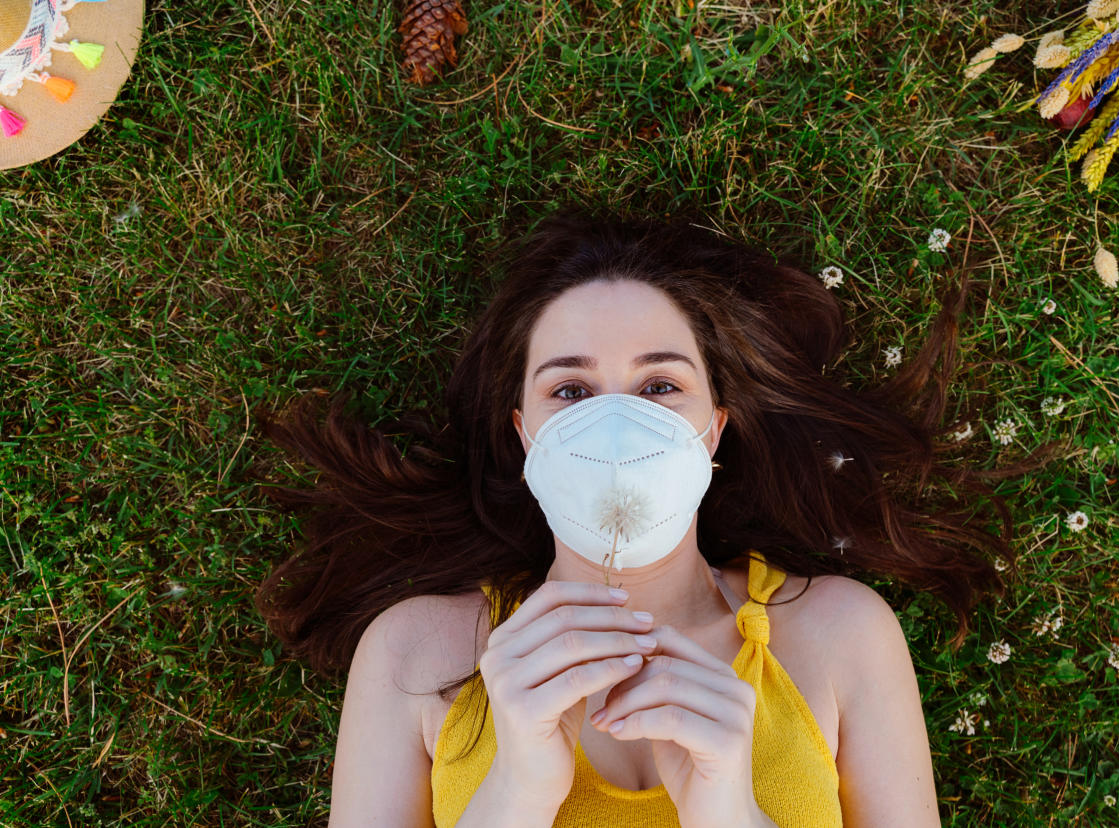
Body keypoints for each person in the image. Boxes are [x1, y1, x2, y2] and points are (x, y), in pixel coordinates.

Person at [255, 206, 1017, 827]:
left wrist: (729, 811)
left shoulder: (837, 635)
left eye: (658, 388)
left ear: (712, 431)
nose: (616, 424)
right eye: (571, 392)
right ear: (525, 435)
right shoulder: (416, 656)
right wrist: (517, 787)